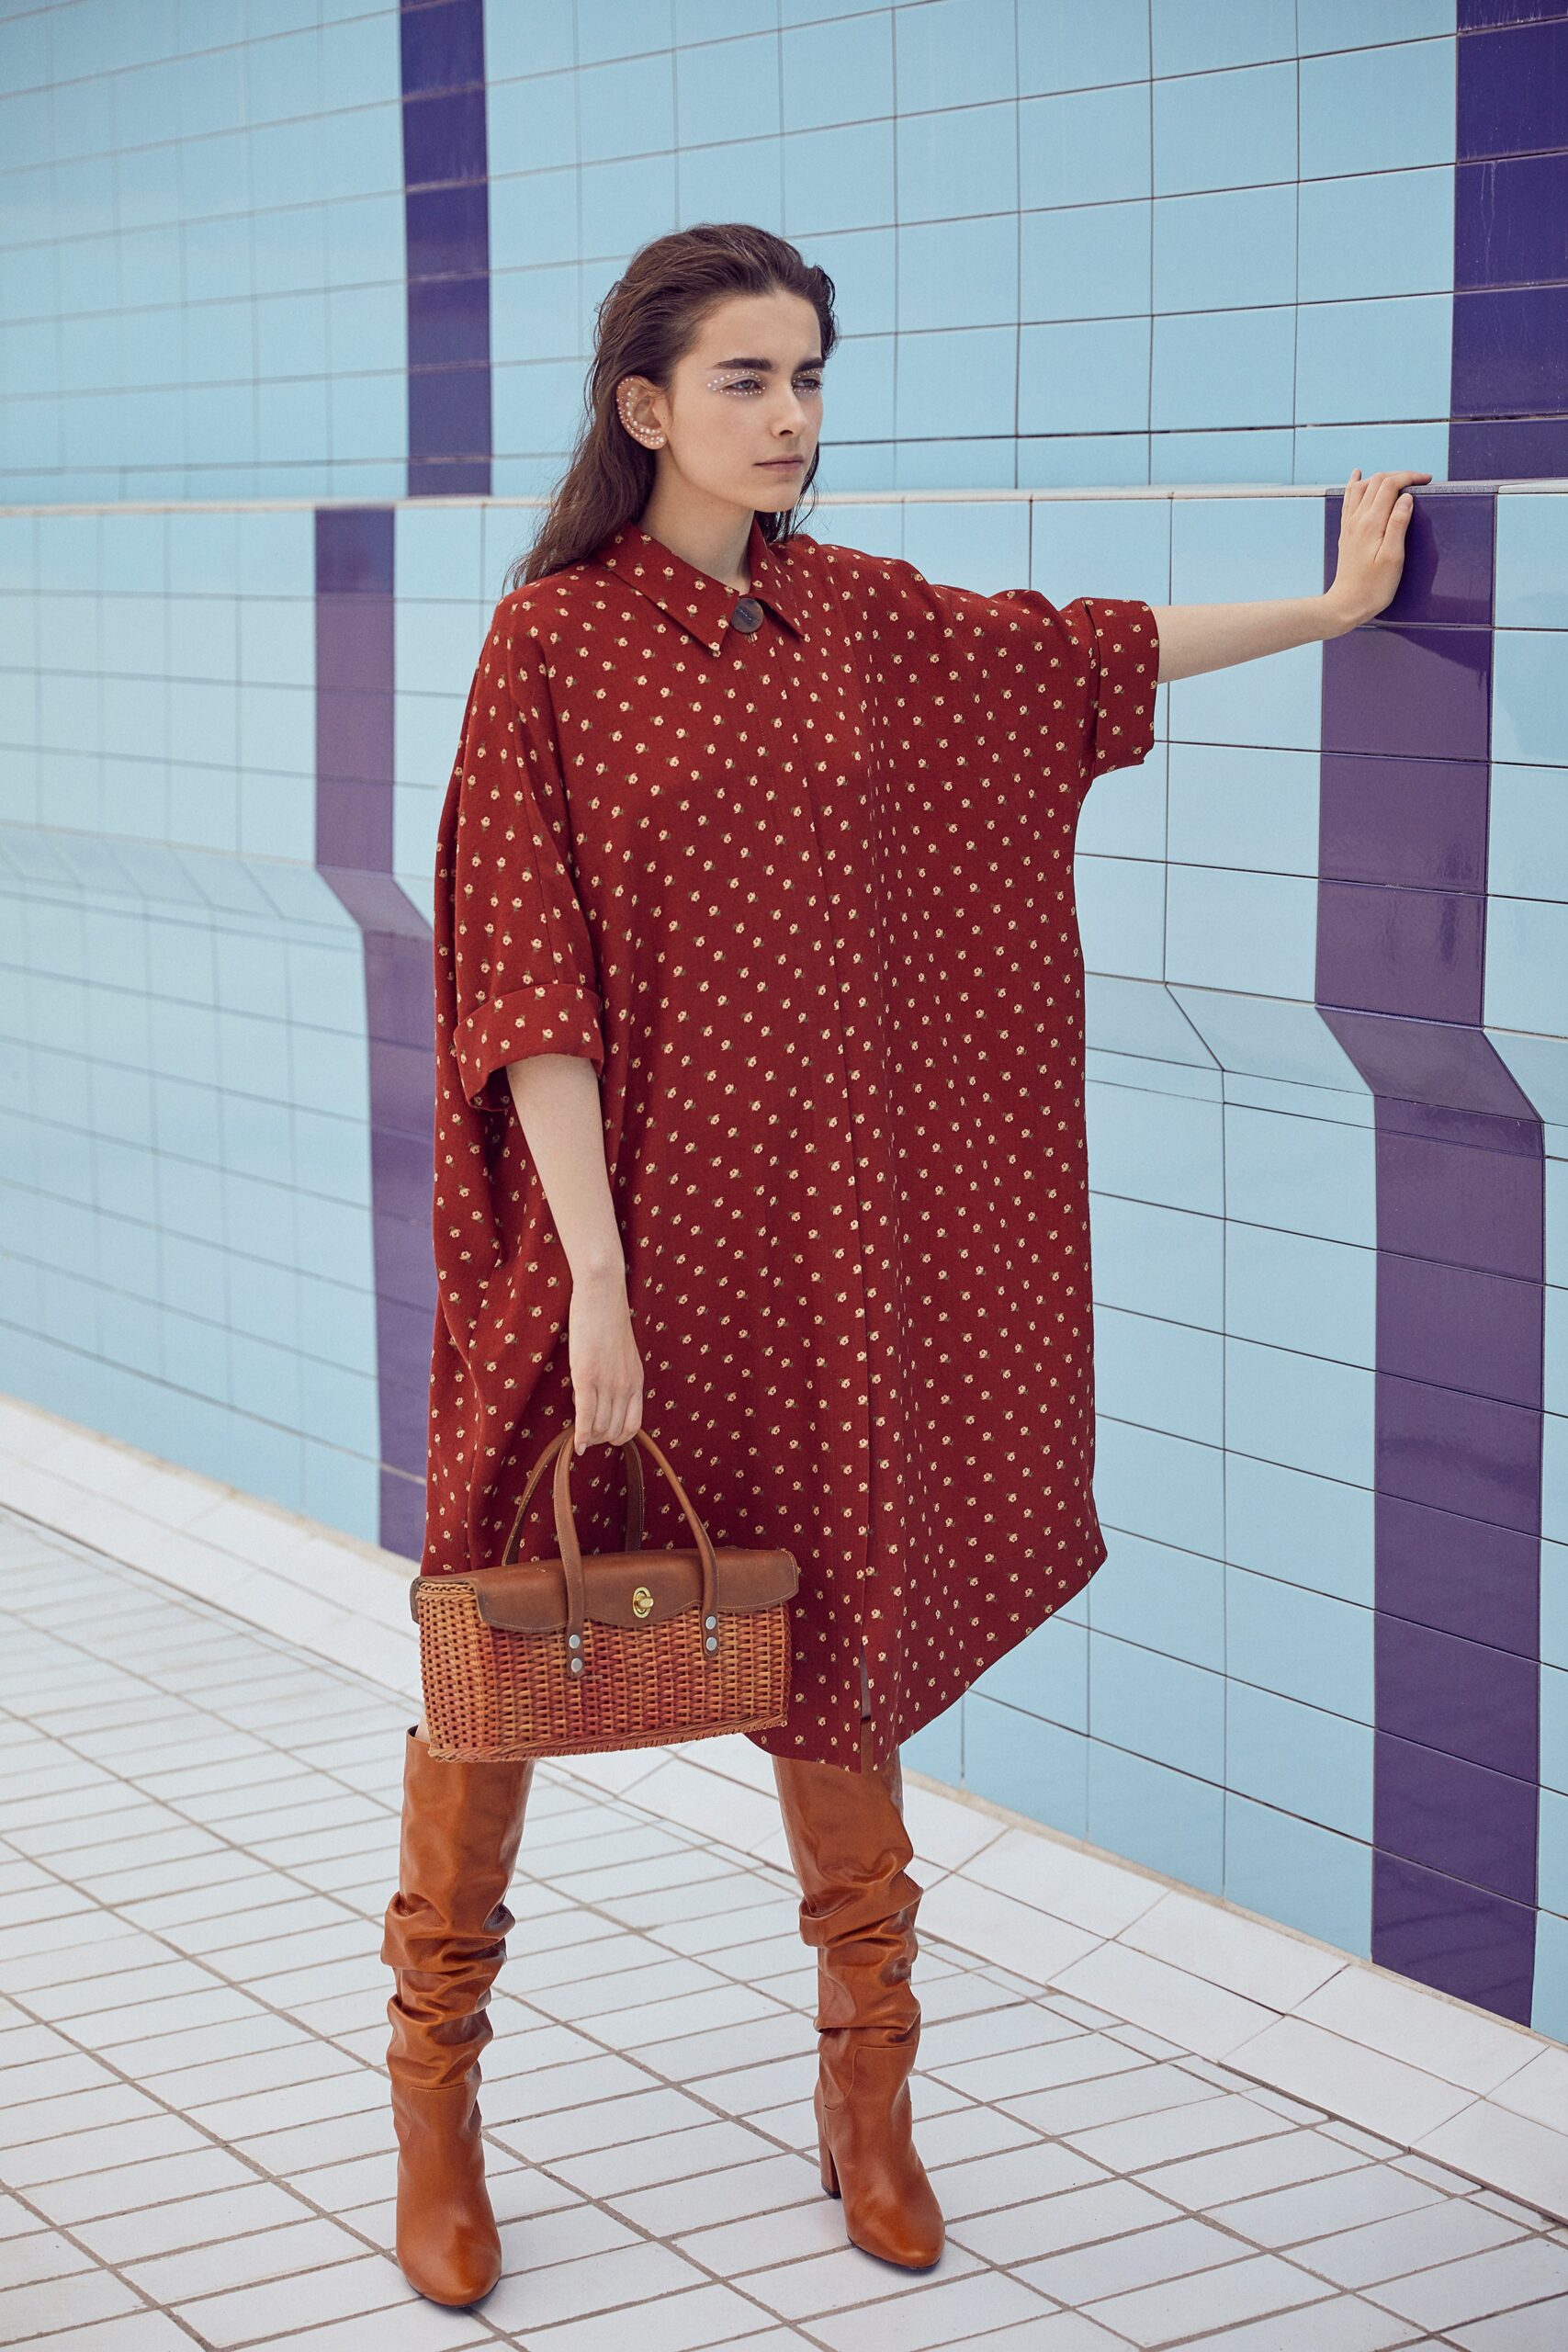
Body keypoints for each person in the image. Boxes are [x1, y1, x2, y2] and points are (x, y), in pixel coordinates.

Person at [380, 220, 1427, 2311]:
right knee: (498, 1630)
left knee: (829, 1614)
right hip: (617, 1236)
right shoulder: (550, 650)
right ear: (643, 406)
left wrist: (1324, 608)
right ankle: (435, 2090)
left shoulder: (858, 622)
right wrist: (593, 1276)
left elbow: (1073, 652)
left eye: (808, 378)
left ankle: (869, 2091)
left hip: (822, 1240)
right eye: (747, 379)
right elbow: (528, 984)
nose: (789, 418)